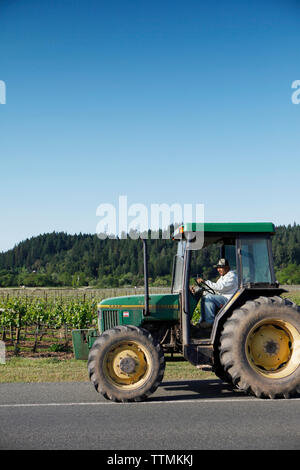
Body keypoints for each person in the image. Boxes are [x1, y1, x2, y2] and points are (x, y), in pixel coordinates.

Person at [191, 258, 238, 329]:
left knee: (208, 298)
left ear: (227, 267)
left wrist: (205, 282)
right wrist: (196, 289)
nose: (218, 269)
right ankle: (202, 321)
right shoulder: (223, 277)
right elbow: (214, 289)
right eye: (218, 268)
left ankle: (209, 322)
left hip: (229, 299)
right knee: (205, 296)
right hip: (222, 297)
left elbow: (220, 287)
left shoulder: (232, 276)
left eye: (221, 268)